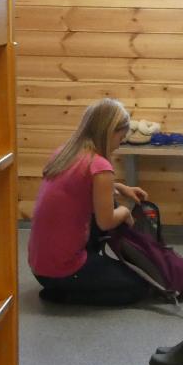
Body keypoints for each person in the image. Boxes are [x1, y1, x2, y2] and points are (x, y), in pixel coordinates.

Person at [28, 98, 152, 306]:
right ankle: (65, 294)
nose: (119, 144)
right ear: (109, 133)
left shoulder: (65, 153)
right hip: (63, 271)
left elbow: (80, 187)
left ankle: (69, 282)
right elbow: (106, 221)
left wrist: (120, 187)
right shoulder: (100, 165)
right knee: (139, 287)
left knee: (104, 206)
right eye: (120, 138)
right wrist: (125, 211)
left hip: (40, 267)